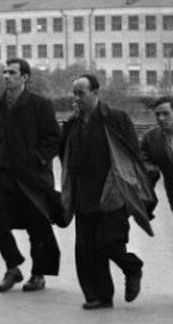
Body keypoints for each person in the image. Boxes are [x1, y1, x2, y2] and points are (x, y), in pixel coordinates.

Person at [59, 74, 156, 310]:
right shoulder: (72, 123)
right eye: (74, 93)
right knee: (86, 249)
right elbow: (65, 153)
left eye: (81, 93)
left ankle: (132, 267)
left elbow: (132, 154)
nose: (76, 98)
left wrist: (135, 186)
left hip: (113, 191)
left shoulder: (115, 118)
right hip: (83, 193)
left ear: (95, 93)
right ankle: (99, 296)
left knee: (109, 242)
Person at [0, 58, 63, 294]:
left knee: (37, 226)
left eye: (12, 72)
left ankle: (38, 275)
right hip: (3, 175)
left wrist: (38, 159)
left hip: (32, 177)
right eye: (5, 72)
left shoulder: (40, 105)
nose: (6, 76)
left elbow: (53, 139)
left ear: (25, 77)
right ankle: (13, 266)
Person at [141, 95, 173, 219]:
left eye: (166, 114)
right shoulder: (150, 138)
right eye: (157, 114)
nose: (161, 118)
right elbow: (143, 162)